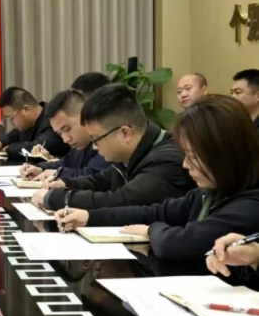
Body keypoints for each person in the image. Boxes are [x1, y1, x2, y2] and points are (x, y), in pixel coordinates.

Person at [55, 96, 259, 260]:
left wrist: (151, 231)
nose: (185, 164)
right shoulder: (209, 193)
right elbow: (155, 212)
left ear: (224, 154)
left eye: (192, 156)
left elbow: (181, 243)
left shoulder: (250, 205)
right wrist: (89, 217)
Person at [34, 84, 195, 211]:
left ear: (125, 133)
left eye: (96, 140)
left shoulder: (165, 160)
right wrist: (66, 184)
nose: (95, 147)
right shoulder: (134, 152)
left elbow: (121, 201)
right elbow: (101, 180)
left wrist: (59, 199)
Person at [19, 89, 109, 182]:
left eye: (67, 129)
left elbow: (92, 175)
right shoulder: (78, 145)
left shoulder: (105, 141)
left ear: (84, 115)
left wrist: (58, 173)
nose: (65, 139)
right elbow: (65, 163)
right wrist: (39, 168)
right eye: (60, 133)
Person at [0, 86, 69, 161]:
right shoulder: (27, 124)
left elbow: (37, 147)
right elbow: (12, 136)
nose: (12, 123)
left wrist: (8, 149)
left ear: (26, 109)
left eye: (12, 118)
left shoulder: (53, 119)